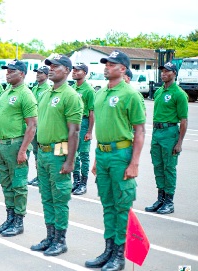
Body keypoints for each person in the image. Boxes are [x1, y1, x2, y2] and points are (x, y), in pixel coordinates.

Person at [85, 50, 146, 270]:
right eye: (105, 64)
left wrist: (134, 163)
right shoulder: (100, 94)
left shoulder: (130, 94)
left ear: (123, 68)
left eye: (111, 64)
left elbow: (139, 130)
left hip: (121, 154)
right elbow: (102, 128)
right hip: (103, 154)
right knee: (108, 204)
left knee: (122, 205)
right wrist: (96, 158)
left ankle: (120, 255)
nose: (106, 67)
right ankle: (108, 250)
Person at [30, 55, 82, 256]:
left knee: (59, 198)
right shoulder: (45, 94)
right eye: (49, 66)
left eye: (55, 66)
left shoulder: (70, 96)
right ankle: (50, 236)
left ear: (67, 70)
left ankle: (60, 240)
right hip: (43, 153)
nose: (50, 69)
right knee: (47, 197)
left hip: (59, 154)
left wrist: (70, 161)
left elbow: (74, 131)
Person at [0, 59, 37, 237]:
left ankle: (18, 221)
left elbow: (32, 125)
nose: (7, 73)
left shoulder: (25, 94)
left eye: (12, 71)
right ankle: (9, 217)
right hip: (2, 144)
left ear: (22, 74)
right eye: (7, 70)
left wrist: (23, 150)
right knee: (6, 183)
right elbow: (0, 120)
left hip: (16, 145)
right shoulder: (5, 92)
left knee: (18, 185)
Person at [146, 62, 188, 215]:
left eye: (167, 71)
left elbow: (183, 120)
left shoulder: (179, 94)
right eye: (162, 71)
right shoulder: (158, 92)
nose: (163, 73)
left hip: (170, 133)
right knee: (158, 166)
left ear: (174, 74)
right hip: (157, 133)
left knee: (169, 167)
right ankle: (161, 198)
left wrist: (179, 142)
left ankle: (169, 201)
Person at [71, 63, 95, 195]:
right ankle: (76, 181)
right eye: (73, 70)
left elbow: (92, 112)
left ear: (85, 73)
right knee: (73, 153)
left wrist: (90, 131)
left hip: (84, 122)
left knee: (84, 155)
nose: (74, 72)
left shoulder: (89, 90)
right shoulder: (72, 88)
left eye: (77, 70)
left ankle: (83, 184)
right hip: (73, 124)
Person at [28, 66, 51, 187]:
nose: (38, 74)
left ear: (47, 75)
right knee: (36, 152)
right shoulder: (35, 88)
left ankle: (42, 177)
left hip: (41, 124)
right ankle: (38, 176)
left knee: (41, 152)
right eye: (37, 72)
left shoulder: (47, 89)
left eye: (41, 73)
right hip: (33, 124)